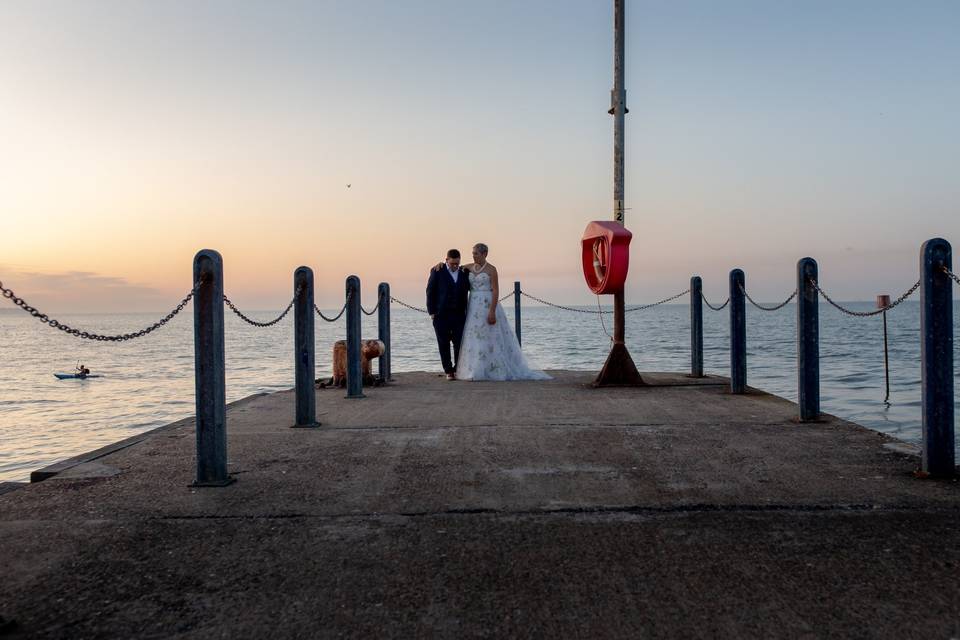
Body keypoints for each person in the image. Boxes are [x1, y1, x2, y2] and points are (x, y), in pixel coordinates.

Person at [437, 243, 550, 381]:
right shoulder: (468, 267)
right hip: (473, 306)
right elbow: (451, 265)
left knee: (491, 336)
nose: (473, 256)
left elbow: (495, 290)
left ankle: (493, 368)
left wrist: (492, 311)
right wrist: (441, 264)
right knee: (474, 336)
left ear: (484, 254)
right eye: (472, 253)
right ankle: (475, 369)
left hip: (487, 304)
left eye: (476, 253)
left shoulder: (492, 270)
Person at [426, 249, 471, 380]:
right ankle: (448, 370)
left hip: (459, 314)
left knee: (459, 342)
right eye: (452, 264)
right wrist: (432, 312)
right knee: (443, 343)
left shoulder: (464, 272)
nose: (455, 266)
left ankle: (458, 369)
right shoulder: (437, 271)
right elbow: (430, 291)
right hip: (441, 314)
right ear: (446, 260)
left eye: (457, 263)